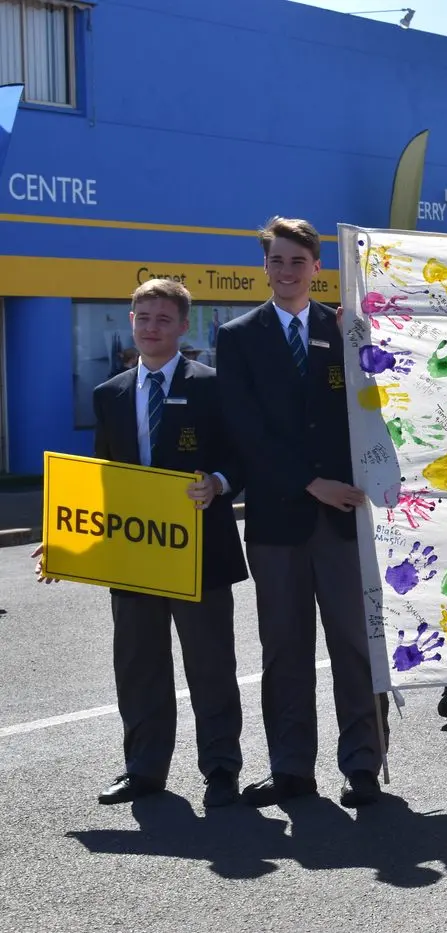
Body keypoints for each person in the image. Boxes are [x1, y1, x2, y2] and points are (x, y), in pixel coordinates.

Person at [35, 279, 246, 808]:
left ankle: (221, 769)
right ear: (131, 322)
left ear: (182, 327)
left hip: (198, 550)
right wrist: (65, 543)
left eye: (163, 319)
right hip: (133, 552)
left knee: (210, 665)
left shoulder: (214, 386)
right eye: (143, 317)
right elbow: (103, 483)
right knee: (138, 665)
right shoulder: (110, 395)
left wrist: (218, 483)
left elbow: (243, 458)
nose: (152, 328)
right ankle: (144, 769)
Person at [216, 216, 386, 809]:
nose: (286, 271)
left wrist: (364, 342)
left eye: (298, 261)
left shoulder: (346, 330)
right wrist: (310, 483)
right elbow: (246, 432)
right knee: (284, 650)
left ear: (318, 267)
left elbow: (378, 406)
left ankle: (363, 764)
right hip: (278, 523)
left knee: (353, 647)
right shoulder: (237, 337)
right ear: (265, 267)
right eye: (277, 261)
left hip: (344, 521)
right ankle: (291, 767)